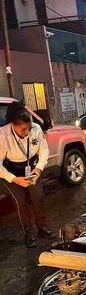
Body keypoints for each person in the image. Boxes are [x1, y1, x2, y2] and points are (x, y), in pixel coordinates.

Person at [0, 101, 56, 248]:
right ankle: (29, 233)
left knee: (38, 197)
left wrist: (37, 169)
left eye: (29, 128)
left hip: (31, 169)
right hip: (11, 172)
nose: (27, 132)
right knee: (21, 202)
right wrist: (15, 180)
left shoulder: (36, 129)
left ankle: (42, 228)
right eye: (23, 129)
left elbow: (44, 151)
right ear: (13, 125)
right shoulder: (3, 136)